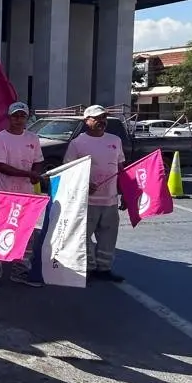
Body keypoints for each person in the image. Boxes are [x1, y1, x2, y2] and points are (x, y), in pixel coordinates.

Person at [0, 101, 45, 290]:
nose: (18, 119)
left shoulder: (33, 138)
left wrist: (35, 173)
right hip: (4, 195)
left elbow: (38, 161)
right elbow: (1, 166)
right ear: (8, 117)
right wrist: (30, 174)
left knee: (26, 234)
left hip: (27, 196)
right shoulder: (0, 138)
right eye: (15, 116)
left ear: (27, 118)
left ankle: (20, 272)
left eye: (22, 116)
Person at [63, 104, 125, 282]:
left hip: (110, 200)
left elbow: (120, 167)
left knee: (108, 236)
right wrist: (84, 184)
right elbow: (68, 170)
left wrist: (125, 193)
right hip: (87, 201)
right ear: (86, 121)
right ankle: (87, 269)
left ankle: (104, 269)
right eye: (97, 118)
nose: (101, 122)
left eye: (103, 118)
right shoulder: (77, 143)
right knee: (84, 237)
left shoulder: (115, 140)